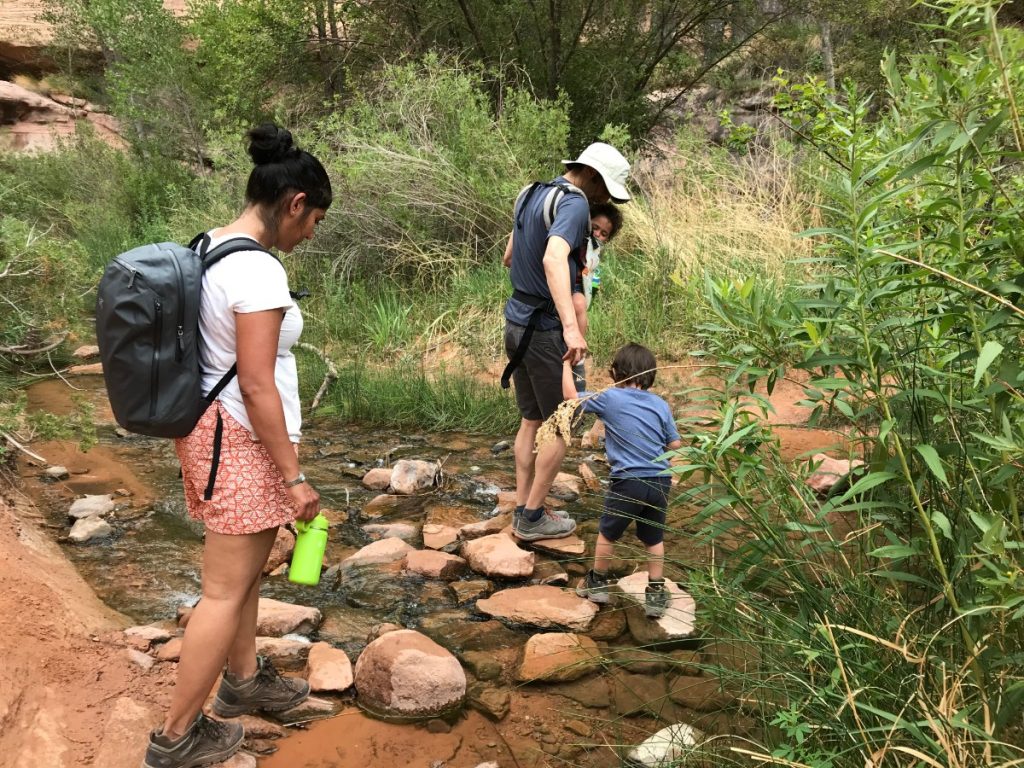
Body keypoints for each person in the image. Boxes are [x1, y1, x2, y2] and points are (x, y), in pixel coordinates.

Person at [142, 123, 331, 768]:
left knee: (244, 576)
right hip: (242, 441)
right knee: (223, 592)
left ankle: (245, 680)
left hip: (207, 434)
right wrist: (294, 475)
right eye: (313, 222)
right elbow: (255, 383)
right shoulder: (257, 270)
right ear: (295, 203)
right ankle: (175, 736)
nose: (309, 236)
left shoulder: (209, 245)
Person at [500, 142, 632, 542]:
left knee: (531, 419)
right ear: (592, 176)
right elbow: (553, 258)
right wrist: (571, 328)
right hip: (545, 331)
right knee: (564, 422)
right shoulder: (574, 204)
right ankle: (533, 516)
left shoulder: (532, 192)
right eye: (606, 191)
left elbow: (509, 255)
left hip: (516, 321)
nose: (605, 200)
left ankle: (524, 505)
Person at [562, 343, 681, 618]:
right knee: (654, 538)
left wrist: (566, 365)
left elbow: (571, 398)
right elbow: (675, 443)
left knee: (608, 533)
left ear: (616, 373)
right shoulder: (661, 404)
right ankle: (655, 593)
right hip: (660, 481)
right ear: (650, 375)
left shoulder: (610, 398)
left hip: (628, 480)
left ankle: (598, 583)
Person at [571, 201, 623, 393]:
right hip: (571, 288)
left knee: (581, 305)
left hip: (581, 287)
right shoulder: (579, 239)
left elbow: (592, 269)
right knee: (579, 304)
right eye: (595, 229)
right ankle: (579, 344)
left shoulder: (595, 249)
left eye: (604, 233)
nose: (598, 235)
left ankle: (579, 350)